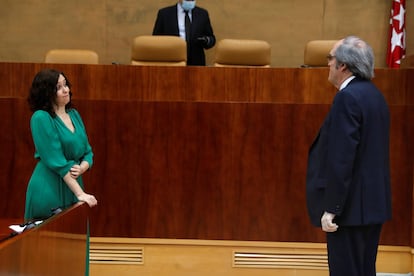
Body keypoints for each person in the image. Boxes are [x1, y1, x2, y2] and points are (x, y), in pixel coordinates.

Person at [305, 36, 391, 276]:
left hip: (349, 210)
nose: (328, 64)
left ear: (343, 65)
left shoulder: (347, 98)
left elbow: (343, 158)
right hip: (371, 206)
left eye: (330, 58)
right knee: (364, 270)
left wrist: (331, 208)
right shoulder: (374, 95)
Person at [25, 68, 98, 221]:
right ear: (47, 93)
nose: (65, 90)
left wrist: (82, 167)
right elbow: (57, 161)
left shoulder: (74, 115)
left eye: (65, 85)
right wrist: (80, 194)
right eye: (58, 87)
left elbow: (88, 152)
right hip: (50, 187)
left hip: (73, 183)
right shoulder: (41, 118)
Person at [152, 0, 216, 66]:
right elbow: (156, 40)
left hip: (196, 63)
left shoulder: (202, 14)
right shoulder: (165, 14)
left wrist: (206, 40)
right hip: (171, 61)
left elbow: (211, 38)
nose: (190, 1)